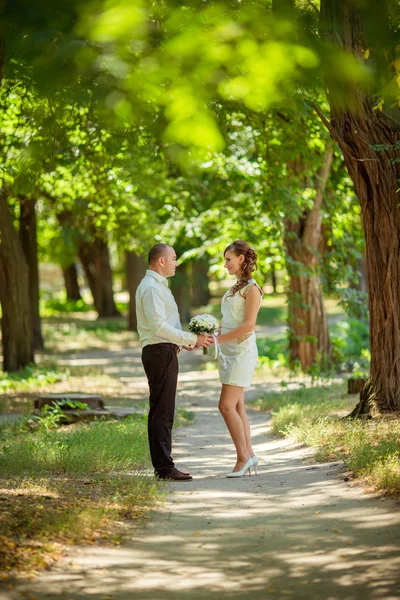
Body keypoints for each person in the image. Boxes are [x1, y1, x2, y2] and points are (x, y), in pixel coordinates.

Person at [136, 243, 213, 482]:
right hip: (159, 353)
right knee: (162, 411)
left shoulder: (158, 286)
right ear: (161, 261)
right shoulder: (151, 287)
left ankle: (164, 465)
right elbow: (158, 327)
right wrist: (191, 338)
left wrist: (190, 342)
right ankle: (164, 468)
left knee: (165, 409)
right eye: (173, 258)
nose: (176, 263)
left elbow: (166, 324)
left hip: (165, 351)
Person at [213, 240, 263, 478]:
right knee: (238, 406)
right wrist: (213, 333)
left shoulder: (252, 289)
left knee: (225, 406)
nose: (225, 265)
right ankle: (250, 455)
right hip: (229, 352)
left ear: (242, 259)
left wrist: (218, 341)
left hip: (242, 352)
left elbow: (248, 326)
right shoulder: (234, 288)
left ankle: (242, 458)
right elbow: (231, 321)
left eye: (228, 260)